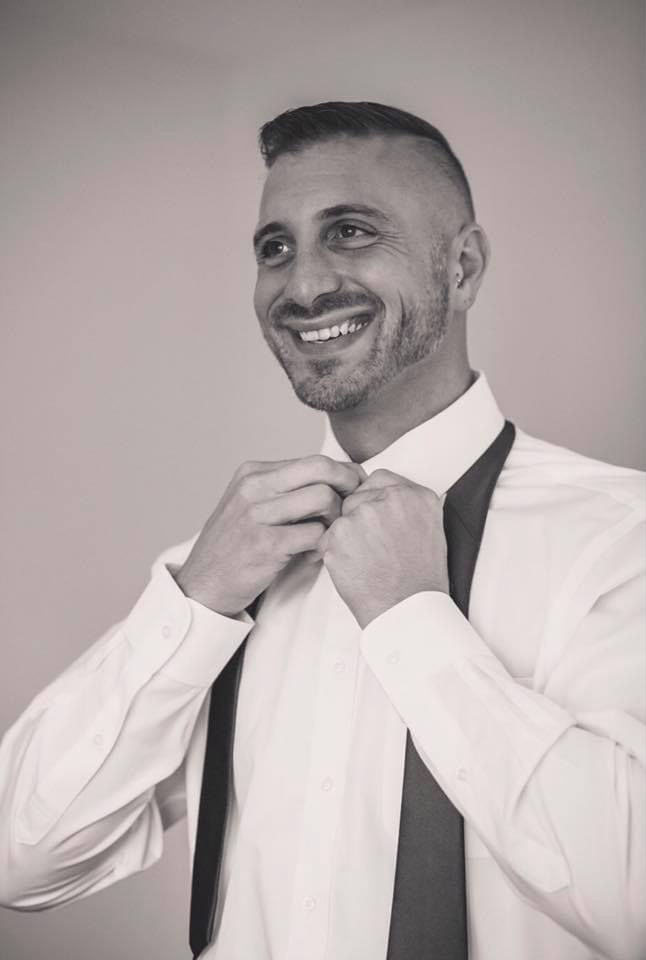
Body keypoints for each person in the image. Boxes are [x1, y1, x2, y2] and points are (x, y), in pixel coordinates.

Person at [0, 101, 644, 960]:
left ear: (462, 267)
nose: (302, 286)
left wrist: (414, 623)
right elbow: (22, 860)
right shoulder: (221, 576)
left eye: (350, 232)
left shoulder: (619, 539)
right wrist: (195, 604)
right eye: (276, 248)